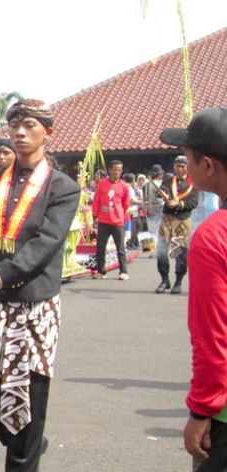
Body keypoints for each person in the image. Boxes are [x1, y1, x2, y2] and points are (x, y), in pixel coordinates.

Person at [0, 100, 80, 472]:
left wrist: (5, 272)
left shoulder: (63, 188)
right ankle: (28, 443)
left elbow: (47, 243)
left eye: (29, 125)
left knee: (26, 394)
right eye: (14, 125)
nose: (20, 133)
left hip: (34, 304)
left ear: (48, 132)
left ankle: (24, 452)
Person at [159, 107, 227, 471]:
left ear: (209, 166)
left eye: (188, 156)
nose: (183, 163)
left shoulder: (215, 235)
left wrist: (201, 409)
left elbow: (213, 336)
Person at [155, 155, 199, 294]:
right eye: (177, 166)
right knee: (161, 251)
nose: (179, 169)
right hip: (167, 219)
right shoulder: (168, 180)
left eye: (182, 166)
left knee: (181, 252)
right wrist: (162, 194)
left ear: (187, 167)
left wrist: (179, 204)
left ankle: (178, 281)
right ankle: (164, 280)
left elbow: (193, 203)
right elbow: (162, 191)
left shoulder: (194, 183)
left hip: (182, 220)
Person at [91, 160, 130, 280]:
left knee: (120, 248)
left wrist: (122, 217)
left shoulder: (124, 186)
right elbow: (97, 200)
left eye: (120, 170)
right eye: (115, 169)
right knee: (100, 247)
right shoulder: (102, 184)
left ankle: (123, 271)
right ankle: (101, 271)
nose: (118, 172)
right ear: (110, 170)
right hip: (103, 220)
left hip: (118, 221)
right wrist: (95, 216)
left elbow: (126, 204)